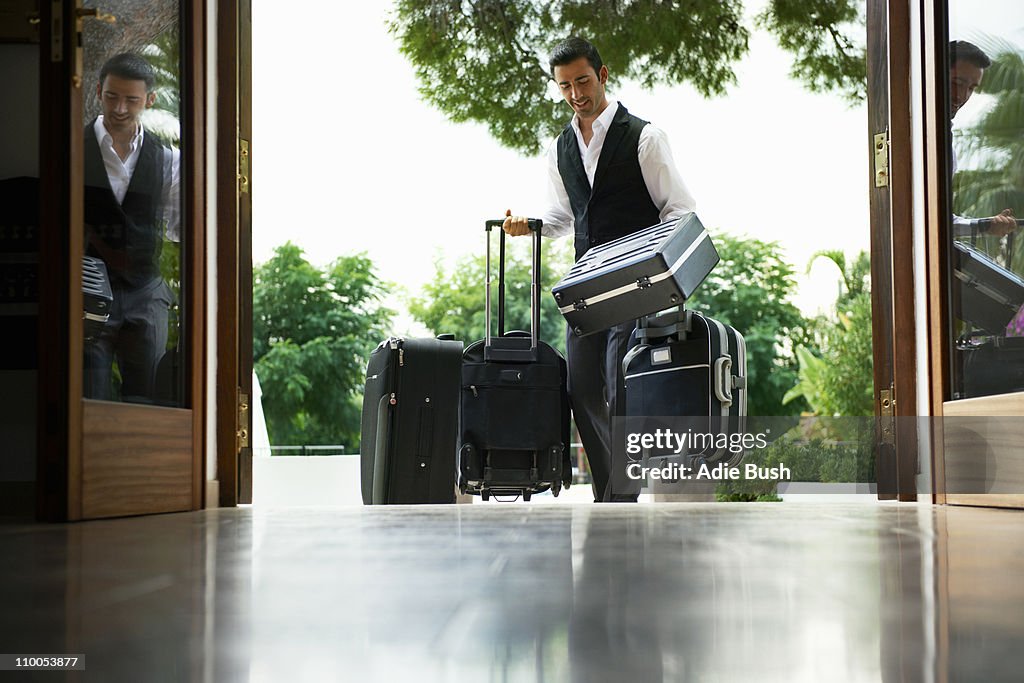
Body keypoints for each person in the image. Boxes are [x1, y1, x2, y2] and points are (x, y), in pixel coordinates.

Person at [504, 37, 696, 502]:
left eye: (583, 81)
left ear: (603, 75)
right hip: (587, 287)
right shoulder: (560, 148)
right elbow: (565, 216)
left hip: (637, 283)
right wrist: (530, 226)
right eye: (565, 85)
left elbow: (680, 212)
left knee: (620, 385)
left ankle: (619, 498)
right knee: (582, 388)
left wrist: (655, 270)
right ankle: (613, 493)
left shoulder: (645, 137)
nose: (576, 93)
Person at [83, 52, 180, 402]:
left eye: (131, 100)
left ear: (149, 100)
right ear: (98, 91)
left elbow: (178, 228)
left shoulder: (168, 159)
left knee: (147, 400)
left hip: (145, 291)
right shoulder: (71, 150)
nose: (120, 108)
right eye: (112, 96)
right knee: (87, 400)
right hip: (86, 290)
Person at [949, 40, 1017, 238]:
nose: (962, 96)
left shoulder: (945, 146)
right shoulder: (911, 132)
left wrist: (986, 225)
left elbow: (940, 221)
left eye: (971, 88)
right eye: (957, 83)